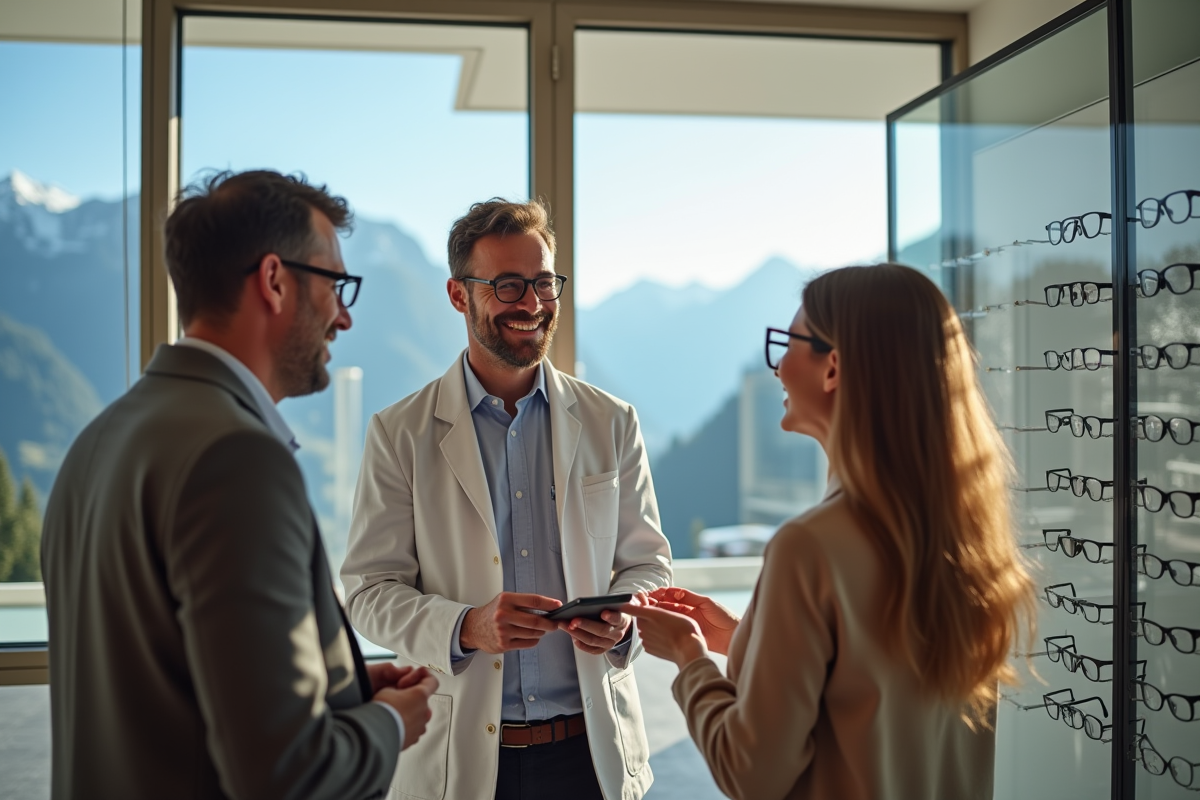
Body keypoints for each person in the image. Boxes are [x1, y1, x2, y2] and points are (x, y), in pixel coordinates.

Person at [41, 170, 438, 800]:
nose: (344, 318)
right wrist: (390, 721)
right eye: (336, 285)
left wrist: (343, 687)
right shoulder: (238, 459)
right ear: (274, 281)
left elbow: (163, 682)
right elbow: (285, 776)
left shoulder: (98, 440)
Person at [628, 263, 1036, 800]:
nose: (777, 368)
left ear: (833, 367)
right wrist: (741, 638)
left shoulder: (810, 547)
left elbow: (750, 773)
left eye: (789, 344)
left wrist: (690, 657)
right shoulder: (960, 535)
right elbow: (869, 688)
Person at [341, 198, 672, 800]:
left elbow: (649, 564)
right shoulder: (399, 433)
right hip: (465, 763)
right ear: (458, 295)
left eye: (544, 283)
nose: (532, 304)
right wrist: (466, 626)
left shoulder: (612, 421)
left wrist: (628, 618)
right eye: (508, 285)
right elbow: (368, 594)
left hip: (591, 759)